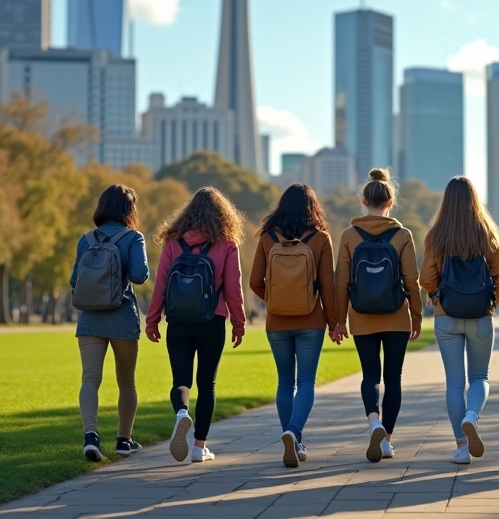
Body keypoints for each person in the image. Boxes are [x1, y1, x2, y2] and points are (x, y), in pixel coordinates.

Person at [146, 187, 246, 465]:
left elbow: (161, 285)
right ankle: (200, 448)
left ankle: (181, 413)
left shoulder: (173, 242)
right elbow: (233, 289)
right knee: (207, 384)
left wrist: (152, 319)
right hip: (212, 320)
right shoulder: (226, 243)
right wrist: (239, 323)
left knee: (181, 381)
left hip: (178, 322)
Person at [333, 168, 422, 463]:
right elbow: (412, 280)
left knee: (370, 374)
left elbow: (342, 282)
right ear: (390, 201)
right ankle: (386, 441)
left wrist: (337, 319)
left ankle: (374, 421)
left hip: (361, 316)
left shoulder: (348, 235)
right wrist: (418, 316)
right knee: (393, 378)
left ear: (363, 200)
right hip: (396, 315)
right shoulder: (402, 235)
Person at [249, 184, 338, 468]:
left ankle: (292, 437)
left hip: (276, 322)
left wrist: (274, 300)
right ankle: (295, 433)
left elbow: (254, 282)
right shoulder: (321, 238)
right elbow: (328, 285)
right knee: (306, 381)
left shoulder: (267, 237)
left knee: (284, 381)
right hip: (311, 320)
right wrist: (335, 322)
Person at [420, 177, 499, 465]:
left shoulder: (435, 235)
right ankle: (472, 415)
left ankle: (460, 447)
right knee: (479, 377)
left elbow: (426, 278)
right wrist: (494, 302)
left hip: (447, 317)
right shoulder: (487, 232)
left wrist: (438, 299)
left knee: (454, 383)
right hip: (481, 316)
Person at [69, 184, 150, 462]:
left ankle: (91, 437)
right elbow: (140, 276)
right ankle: (124, 440)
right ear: (129, 209)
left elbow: (73, 281)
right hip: (122, 316)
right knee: (126, 382)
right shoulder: (133, 238)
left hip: (89, 318)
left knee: (90, 378)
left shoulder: (86, 239)